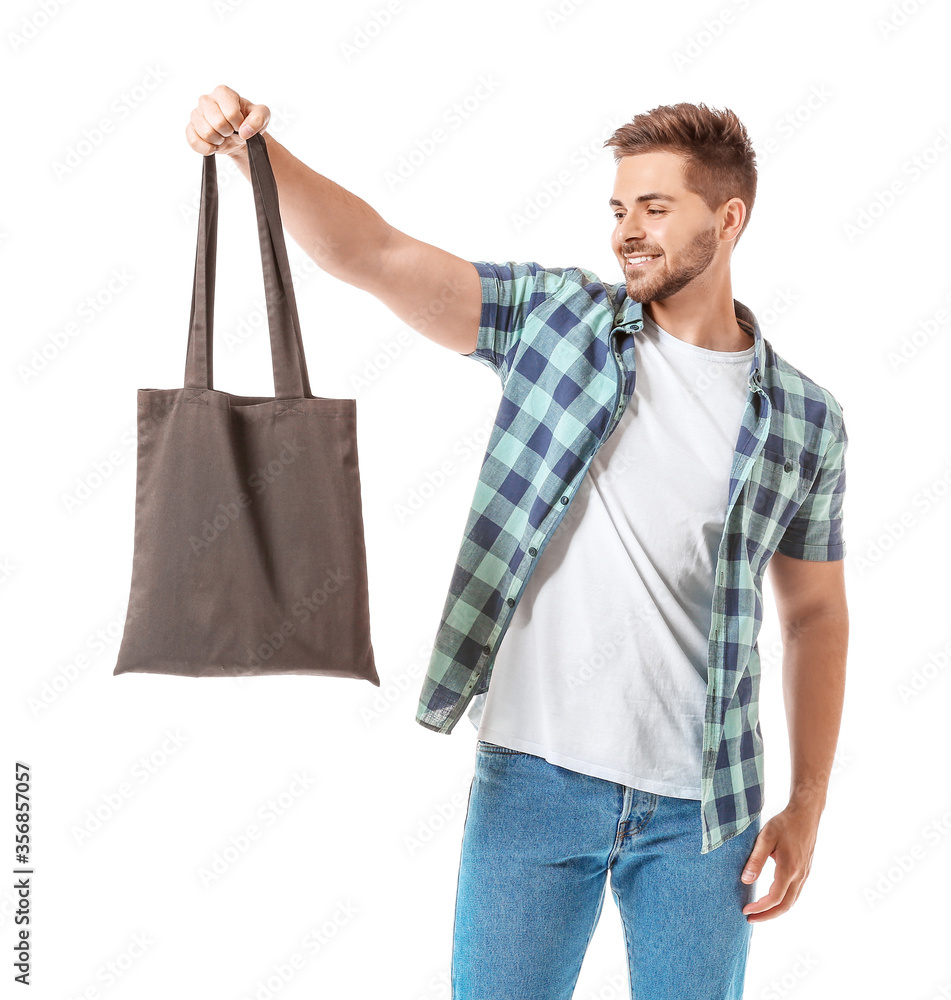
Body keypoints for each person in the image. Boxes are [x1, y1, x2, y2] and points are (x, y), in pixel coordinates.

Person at [187, 88, 849, 1000]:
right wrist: (259, 153)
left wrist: (808, 802)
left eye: (656, 208)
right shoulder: (554, 322)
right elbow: (376, 254)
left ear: (728, 219)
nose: (627, 231)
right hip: (534, 787)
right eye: (619, 209)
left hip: (705, 811)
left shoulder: (808, 421)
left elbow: (815, 613)